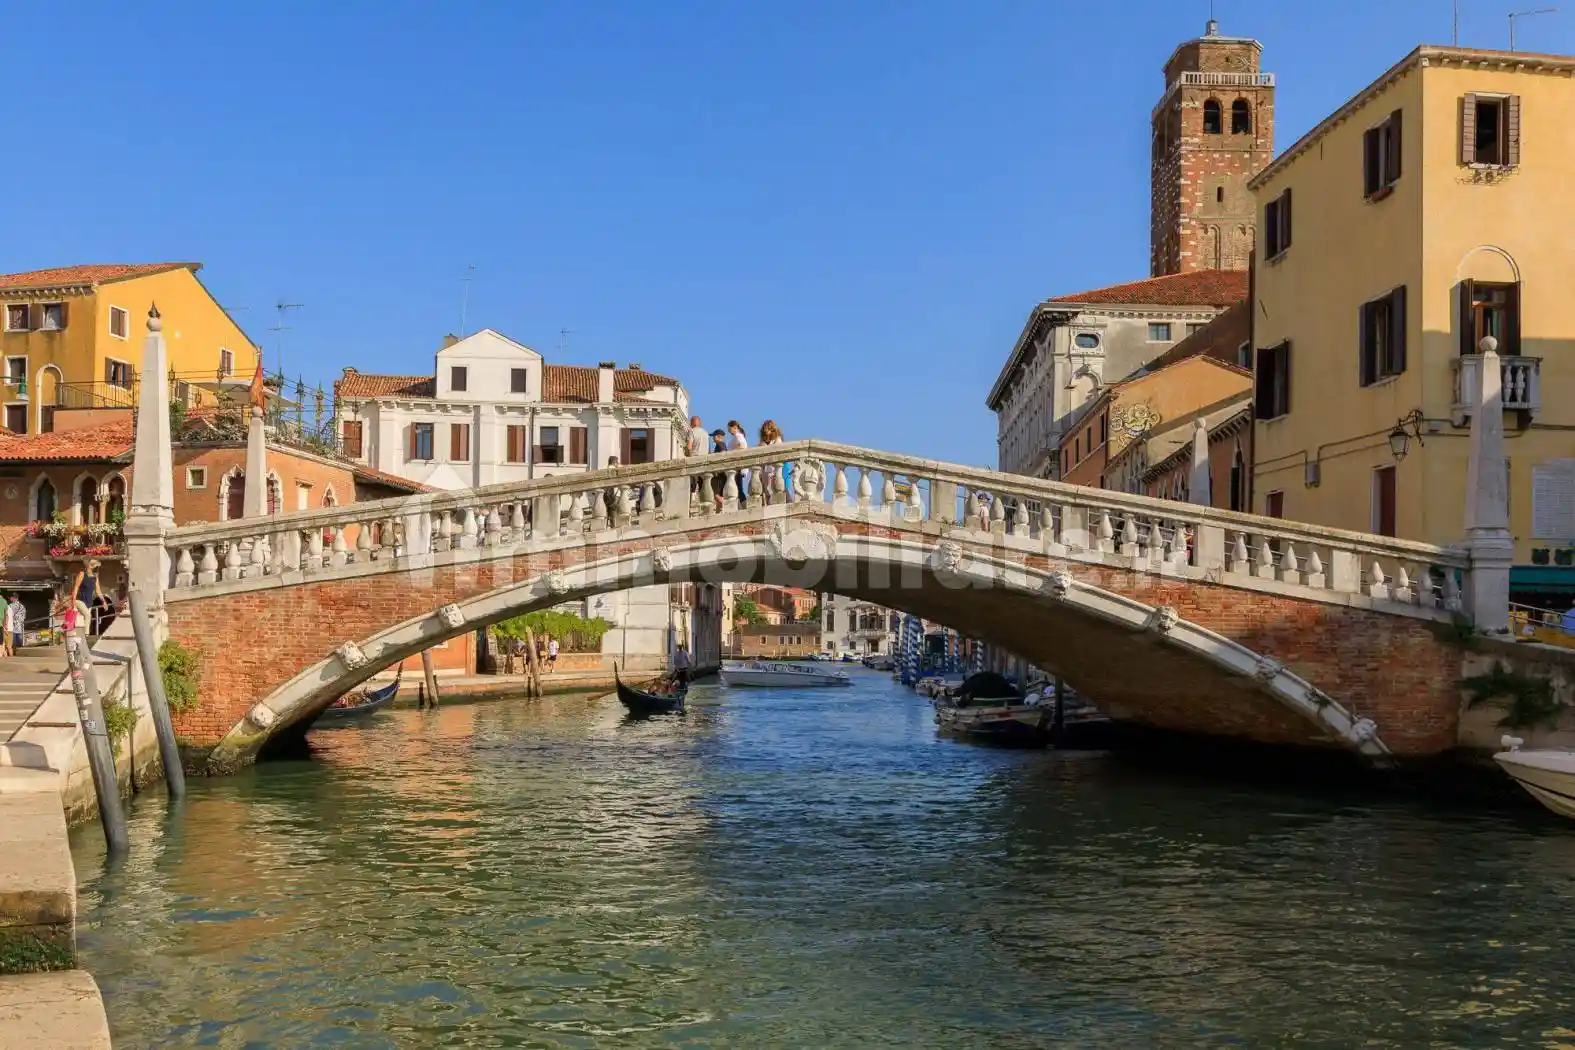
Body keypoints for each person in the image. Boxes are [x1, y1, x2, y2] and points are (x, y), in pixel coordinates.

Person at [759, 419, 792, 498]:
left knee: (782, 489)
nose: (765, 431)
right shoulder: (763, 442)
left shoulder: (777, 439)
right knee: (768, 491)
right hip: (767, 469)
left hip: (777, 468)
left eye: (767, 429)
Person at [69, 560, 101, 638]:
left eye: (97, 568)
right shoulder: (82, 574)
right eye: (96, 567)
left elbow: (98, 591)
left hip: (88, 602)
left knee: (86, 618)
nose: (97, 570)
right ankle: (86, 636)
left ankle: (81, 636)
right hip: (79, 600)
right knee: (88, 615)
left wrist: (104, 601)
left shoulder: (95, 578)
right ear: (90, 566)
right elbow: (76, 587)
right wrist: (73, 601)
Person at [727, 420, 751, 506]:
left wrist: (732, 453)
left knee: (738, 488)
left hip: (738, 466)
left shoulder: (738, 436)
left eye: (729, 428)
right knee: (737, 488)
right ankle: (742, 505)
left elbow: (742, 446)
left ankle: (744, 505)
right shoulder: (737, 436)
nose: (728, 430)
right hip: (737, 466)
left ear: (735, 427)